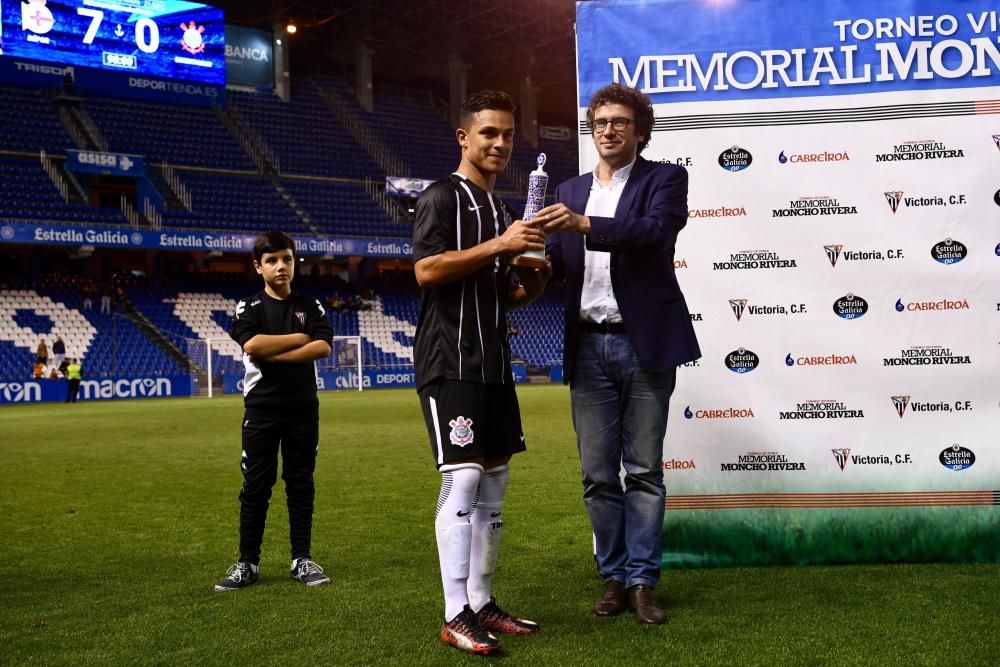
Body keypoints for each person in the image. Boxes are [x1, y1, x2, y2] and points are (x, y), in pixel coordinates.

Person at [534, 83, 701, 625]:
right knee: (598, 474)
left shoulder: (665, 179)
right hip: (587, 346)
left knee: (645, 471)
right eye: (601, 121)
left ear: (640, 130)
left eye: (620, 122)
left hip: (644, 343)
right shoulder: (567, 189)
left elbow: (653, 233)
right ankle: (612, 575)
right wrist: (525, 275)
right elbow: (556, 267)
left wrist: (584, 225)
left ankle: (643, 583)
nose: (608, 129)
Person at [412, 90, 549, 655]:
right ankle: (453, 613)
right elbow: (426, 269)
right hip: (451, 361)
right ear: (464, 138)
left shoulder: (500, 209)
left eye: (508, 134)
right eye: (488, 132)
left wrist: (534, 276)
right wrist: (503, 242)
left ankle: (482, 601)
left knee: (494, 485)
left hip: (494, 363)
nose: (499, 143)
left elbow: (502, 294)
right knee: (462, 479)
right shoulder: (442, 195)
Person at [215, 231, 334, 592]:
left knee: (300, 483)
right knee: (255, 485)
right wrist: (301, 338)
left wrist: (276, 352)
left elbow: (324, 347)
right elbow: (251, 343)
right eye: (271, 260)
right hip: (262, 409)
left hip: (302, 408)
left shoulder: (311, 305)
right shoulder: (248, 307)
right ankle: (247, 562)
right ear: (258, 266)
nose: (280, 266)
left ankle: (301, 559)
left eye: (286, 259)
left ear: (294, 262)